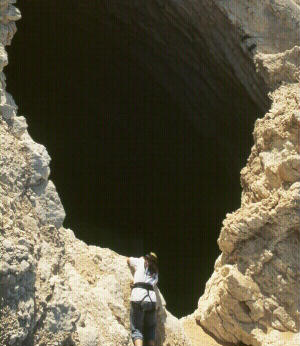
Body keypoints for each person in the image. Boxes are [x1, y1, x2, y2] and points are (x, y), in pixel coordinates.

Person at [127, 252, 159, 346]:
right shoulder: (156, 271)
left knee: (137, 329)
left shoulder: (140, 261)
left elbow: (128, 260)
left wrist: (139, 258)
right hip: (151, 300)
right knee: (150, 329)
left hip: (138, 297)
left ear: (146, 257)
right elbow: (149, 282)